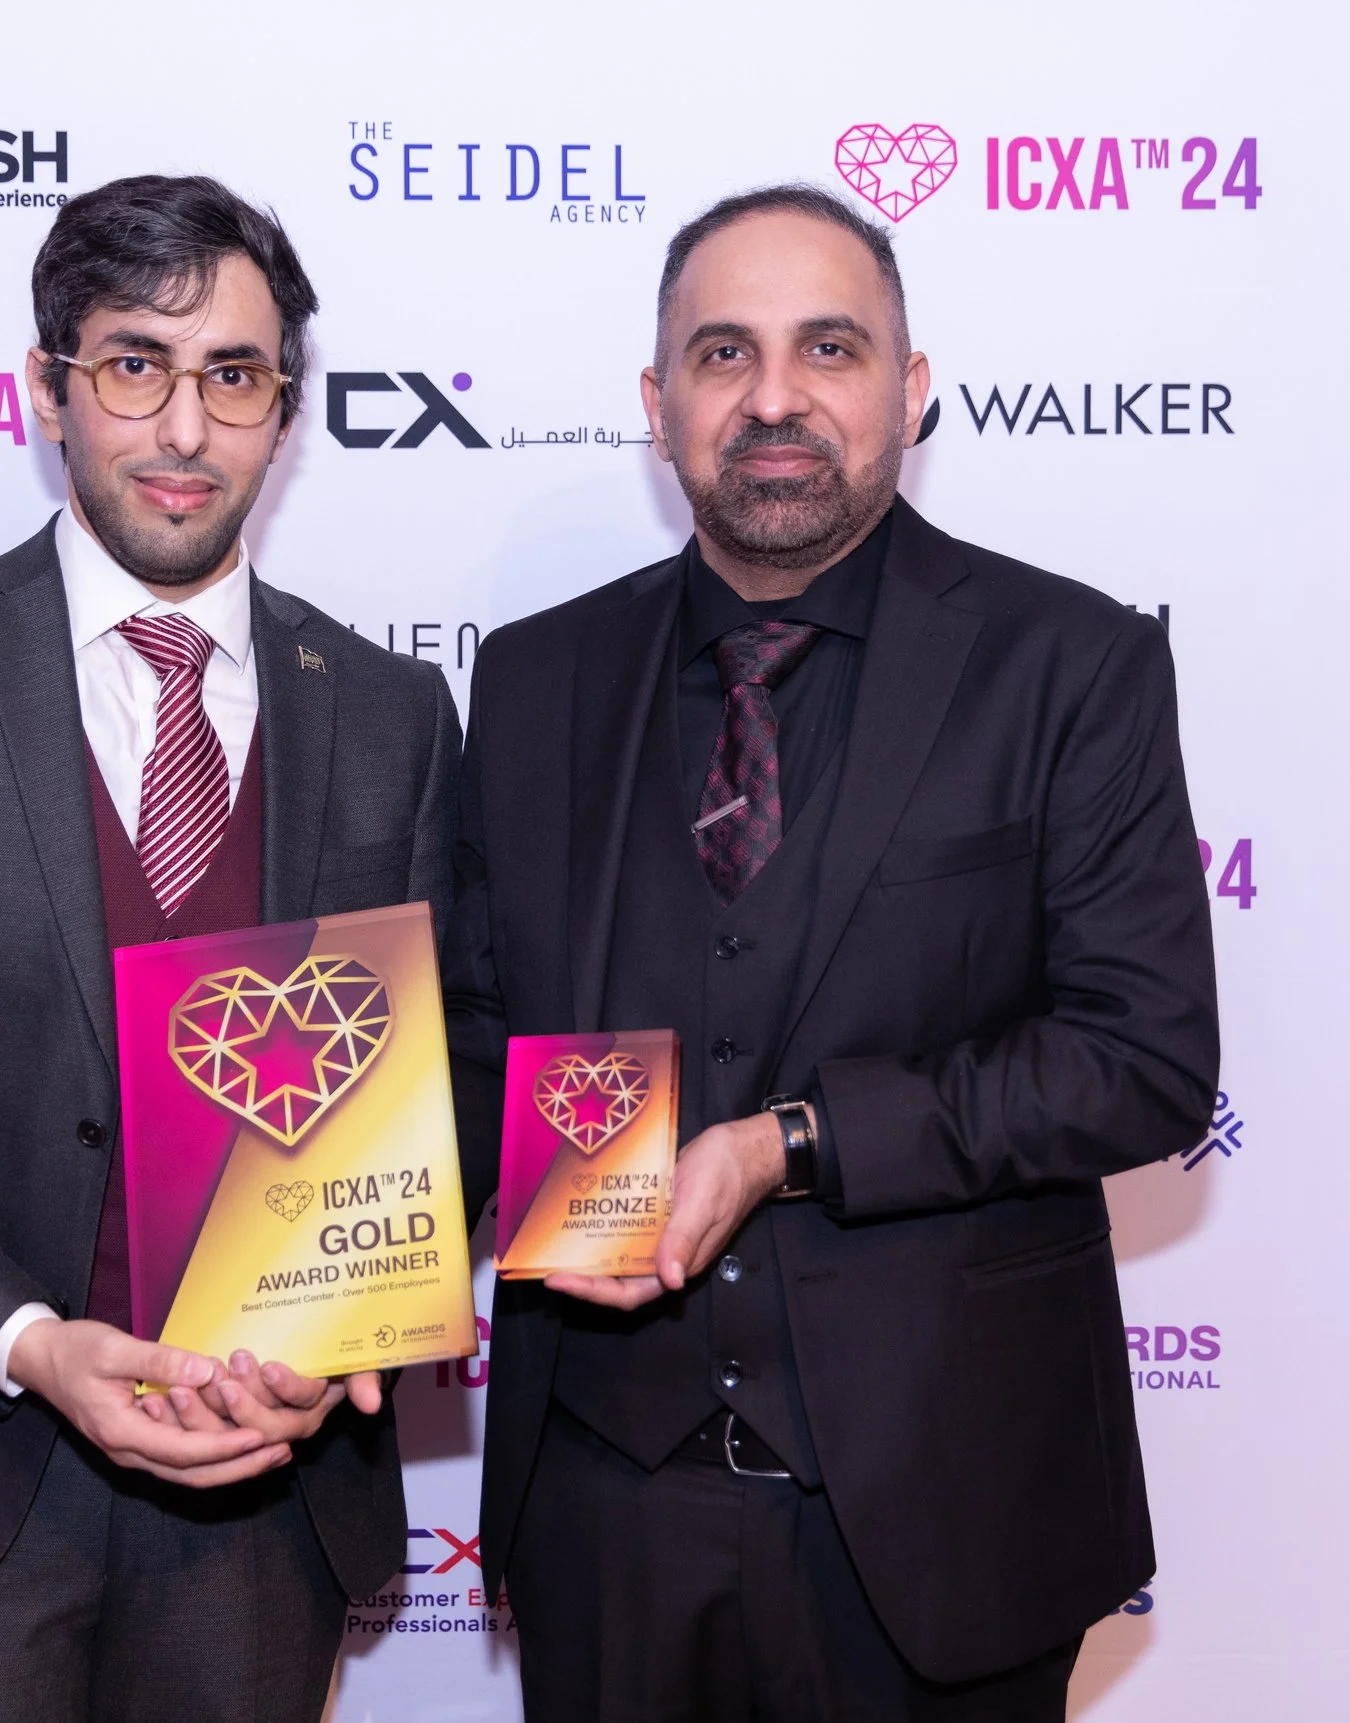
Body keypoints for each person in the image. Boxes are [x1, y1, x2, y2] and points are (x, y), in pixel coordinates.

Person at [443, 184, 1220, 1720]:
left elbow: (1141, 1062)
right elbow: (474, 1037)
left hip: (948, 1517)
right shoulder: (536, 679)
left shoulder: (1072, 665)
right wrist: (294, 1260)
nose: (777, 398)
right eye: (724, 354)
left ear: (912, 387)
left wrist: (790, 1142)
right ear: (657, 406)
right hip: (607, 1512)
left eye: (831, 347)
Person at [0, 174, 460, 1723]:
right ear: (51, 389)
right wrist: (30, 1342)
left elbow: (433, 1071)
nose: (185, 428)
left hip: (269, 1487)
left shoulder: (393, 716)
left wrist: (347, 1328)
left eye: (234, 377)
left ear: (285, 412)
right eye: (136, 364)